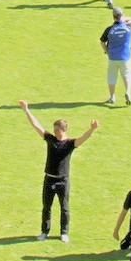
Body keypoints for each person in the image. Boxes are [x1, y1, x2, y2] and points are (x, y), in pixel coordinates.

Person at [19, 101, 98, 241]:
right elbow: (37, 126)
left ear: (64, 129)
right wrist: (26, 110)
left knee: (65, 208)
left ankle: (64, 232)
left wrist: (92, 129)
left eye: (57, 130)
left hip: (63, 180)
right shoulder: (50, 140)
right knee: (46, 207)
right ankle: (44, 231)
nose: (55, 132)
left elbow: (82, 139)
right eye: (54, 130)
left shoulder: (69, 144)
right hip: (49, 178)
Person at [100, 10, 131, 106]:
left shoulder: (109, 29)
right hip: (125, 57)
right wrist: (123, 19)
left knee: (112, 76)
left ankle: (112, 97)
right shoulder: (129, 27)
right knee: (127, 75)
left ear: (113, 17)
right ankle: (128, 92)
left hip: (112, 57)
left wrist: (107, 51)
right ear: (122, 16)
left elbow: (102, 42)